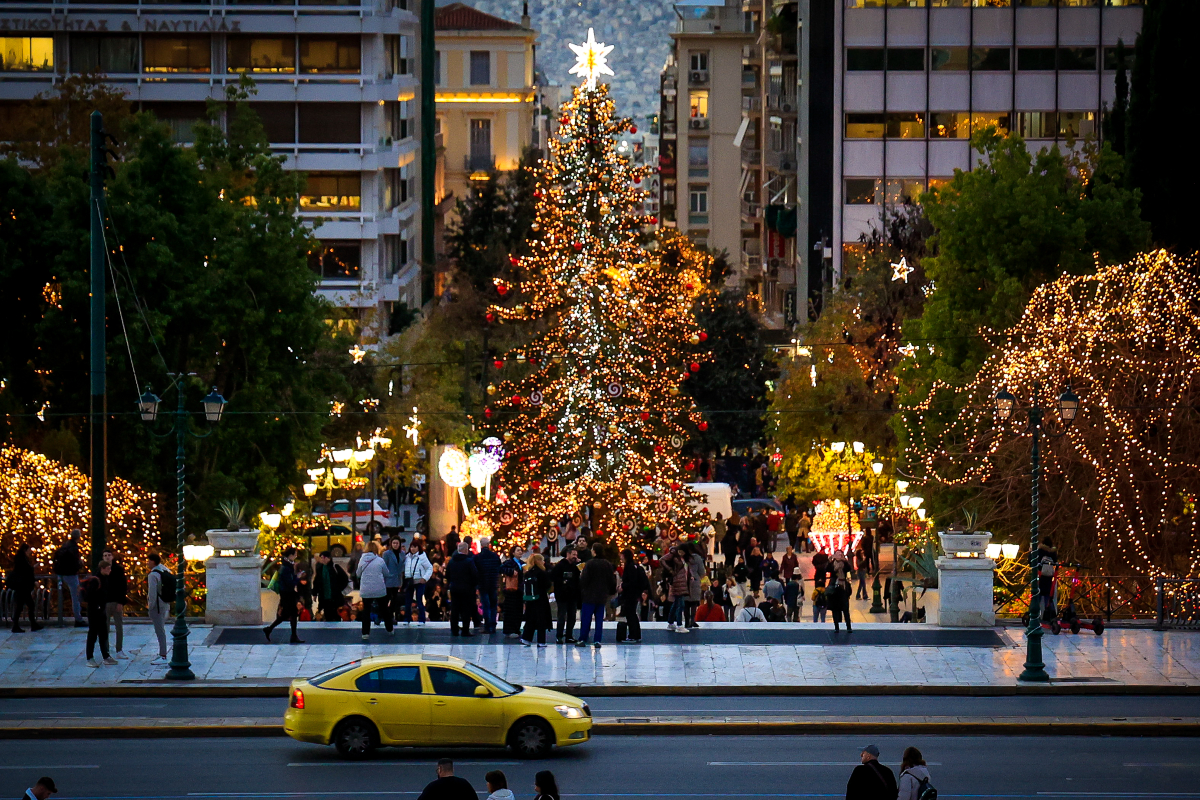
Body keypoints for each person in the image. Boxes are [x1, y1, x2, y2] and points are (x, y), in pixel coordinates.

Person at [577, 544, 616, 648]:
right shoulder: (607, 564)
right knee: (599, 619)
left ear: (594, 551)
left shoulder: (590, 564)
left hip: (589, 596)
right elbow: (612, 580)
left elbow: (584, 580)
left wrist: (582, 590)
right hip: (602, 596)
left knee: (586, 618)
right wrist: (610, 591)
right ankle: (597, 640)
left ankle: (583, 639)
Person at [264, 546, 305, 643]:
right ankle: (271, 629)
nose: (295, 556)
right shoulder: (286, 567)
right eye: (295, 555)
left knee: (290, 613)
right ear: (290, 555)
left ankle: (271, 629)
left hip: (287, 593)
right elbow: (289, 582)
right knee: (290, 614)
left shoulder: (287, 566)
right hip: (287, 593)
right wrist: (297, 578)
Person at [81, 563, 115, 666]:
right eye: (108, 568)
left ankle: (106, 656)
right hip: (94, 610)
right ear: (102, 568)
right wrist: (97, 604)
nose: (110, 570)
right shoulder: (96, 580)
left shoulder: (105, 578)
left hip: (101, 609)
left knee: (103, 634)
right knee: (93, 634)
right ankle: (89, 658)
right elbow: (89, 596)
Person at [357, 541, 392, 639]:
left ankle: (365, 633)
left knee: (366, 611)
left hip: (366, 590)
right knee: (384, 609)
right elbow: (386, 573)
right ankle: (389, 629)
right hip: (379, 589)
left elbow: (358, 574)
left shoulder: (362, 560)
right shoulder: (380, 560)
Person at [99, 548, 129, 657]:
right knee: (104, 627)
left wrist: (121, 602)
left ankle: (119, 649)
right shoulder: (100, 571)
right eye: (105, 555)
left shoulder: (118, 570)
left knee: (118, 626)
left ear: (112, 557)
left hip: (116, 601)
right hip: (105, 602)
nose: (107, 557)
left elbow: (123, 586)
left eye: (109, 555)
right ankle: (105, 650)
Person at [52, 530, 85, 628]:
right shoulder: (74, 548)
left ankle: (61, 618)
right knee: (76, 596)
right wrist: (80, 565)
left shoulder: (65, 545)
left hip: (61, 573)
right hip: (71, 574)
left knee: (65, 595)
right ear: (78, 537)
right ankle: (78, 619)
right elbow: (75, 562)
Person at [445, 542, 479, 637]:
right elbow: (475, 575)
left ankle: (454, 630)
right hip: (467, 589)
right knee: (466, 610)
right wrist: (473, 585)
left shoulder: (452, 561)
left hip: (454, 588)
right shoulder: (469, 561)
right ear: (466, 550)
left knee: (455, 609)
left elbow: (447, 574)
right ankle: (465, 630)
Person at [549, 547, 581, 643]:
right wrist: (563, 582)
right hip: (562, 596)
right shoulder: (560, 565)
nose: (575, 557)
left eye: (576, 555)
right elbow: (553, 577)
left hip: (573, 596)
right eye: (573, 554)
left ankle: (569, 635)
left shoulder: (575, 567)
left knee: (572, 617)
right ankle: (559, 636)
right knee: (562, 616)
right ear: (568, 554)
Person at [520, 553, 552, 647]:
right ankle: (541, 641)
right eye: (542, 560)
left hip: (530, 599)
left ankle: (526, 638)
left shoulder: (528, 573)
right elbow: (547, 585)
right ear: (538, 561)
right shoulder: (541, 572)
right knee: (541, 619)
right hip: (540, 598)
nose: (544, 562)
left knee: (530, 619)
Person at [8, 543, 41, 633]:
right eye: (29, 549)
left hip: (22, 586)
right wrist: (33, 577)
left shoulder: (21, 559)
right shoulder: (22, 560)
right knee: (29, 605)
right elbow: (26, 572)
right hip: (23, 586)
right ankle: (31, 624)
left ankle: (19, 625)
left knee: (21, 606)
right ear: (25, 550)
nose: (30, 551)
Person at [146, 553, 172, 664]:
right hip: (165, 603)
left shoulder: (153, 575)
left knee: (159, 630)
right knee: (161, 629)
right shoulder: (164, 570)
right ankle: (162, 653)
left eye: (148, 561)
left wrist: (150, 607)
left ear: (153, 561)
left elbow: (152, 593)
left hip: (157, 605)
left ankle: (162, 654)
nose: (147, 563)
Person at [618, 548, 648, 643]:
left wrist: (623, 586)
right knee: (632, 614)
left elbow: (632, 581)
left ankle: (633, 635)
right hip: (634, 593)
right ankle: (636, 635)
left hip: (630, 594)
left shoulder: (630, 567)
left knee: (630, 614)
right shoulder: (634, 566)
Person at [475, 538, 502, 634]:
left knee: (485, 605)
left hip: (483, 584)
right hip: (493, 583)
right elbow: (499, 569)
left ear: (481, 545)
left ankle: (487, 625)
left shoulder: (477, 557)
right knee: (493, 605)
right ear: (489, 545)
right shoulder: (495, 556)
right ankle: (493, 625)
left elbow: (475, 571)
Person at [402, 541, 432, 625]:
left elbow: (430, 567)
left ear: (418, 548)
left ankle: (422, 619)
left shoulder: (422, 557)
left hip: (419, 581)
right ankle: (407, 619)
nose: (413, 549)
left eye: (415, 547)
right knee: (408, 601)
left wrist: (425, 578)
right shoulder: (407, 557)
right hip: (409, 581)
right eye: (411, 547)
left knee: (419, 600)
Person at [313, 551, 348, 622]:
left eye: (323, 557)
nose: (322, 559)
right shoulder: (320, 568)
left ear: (328, 558)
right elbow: (316, 581)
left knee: (336, 615)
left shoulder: (335, 567)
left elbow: (345, 579)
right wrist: (314, 593)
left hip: (335, 597)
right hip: (324, 597)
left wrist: (338, 589)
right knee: (327, 615)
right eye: (321, 558)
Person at [662, 546, 689, 633]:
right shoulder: (673, 554)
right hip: (677, 582)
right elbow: (662, 560)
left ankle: (671, 623)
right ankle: (679, 625)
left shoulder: (678, 557)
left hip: (679, 582)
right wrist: (670, 570)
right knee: (680, 604)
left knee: (676, 603)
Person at [500, 545, 525, 637]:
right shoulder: (509, 562)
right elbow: (501, 569)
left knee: (518, 610)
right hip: (511, 590)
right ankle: (508, 630)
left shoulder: (522, 563)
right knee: (510, 610)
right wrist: (510, 571)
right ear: (513, 552)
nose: (520, 552)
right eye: (518, 550)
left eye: (521, 550)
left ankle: (516, 629)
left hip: (519, 590)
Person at [828, 549, 853, 633]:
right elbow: (827, 569)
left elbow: (849, 569)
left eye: (840, 554)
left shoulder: (844, 564)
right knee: (835, 609)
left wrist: (845, 561)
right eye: (837, 554)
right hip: (835, 588)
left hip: (843, 587)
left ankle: (848, 627)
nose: (839, 556)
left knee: (845, 608)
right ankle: (836, 627)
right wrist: (831, 560)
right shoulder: (832, 564)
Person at [383, 536, 406, 622]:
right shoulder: (386, 554)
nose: (395, 545)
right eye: (394, 543)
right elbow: (384, 566)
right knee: (386, 598)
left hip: (397, 579)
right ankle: (382, 615)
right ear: (391, 544)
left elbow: (403, 565)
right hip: (388, 580)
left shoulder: (402, 553)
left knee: (395, 599)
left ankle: (390, 616)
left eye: (397, 543)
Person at [1036, 535, 1059, 621]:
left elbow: (1036, 561)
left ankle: (1035, 615)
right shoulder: (1053, 551)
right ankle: (1049, 615)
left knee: (1037, 596)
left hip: (1041, 576)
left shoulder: (1040, 550)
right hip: (1049, 577)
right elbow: (1056, 561)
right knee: (1048, 597)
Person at [685, 544, 706, 628]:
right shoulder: (698, 558)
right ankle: (692, 620)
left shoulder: (684, 558)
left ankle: (686, 621)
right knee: (694, 603)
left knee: (686, 603)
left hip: (685, 581)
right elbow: (702, 572)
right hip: (695, 581)